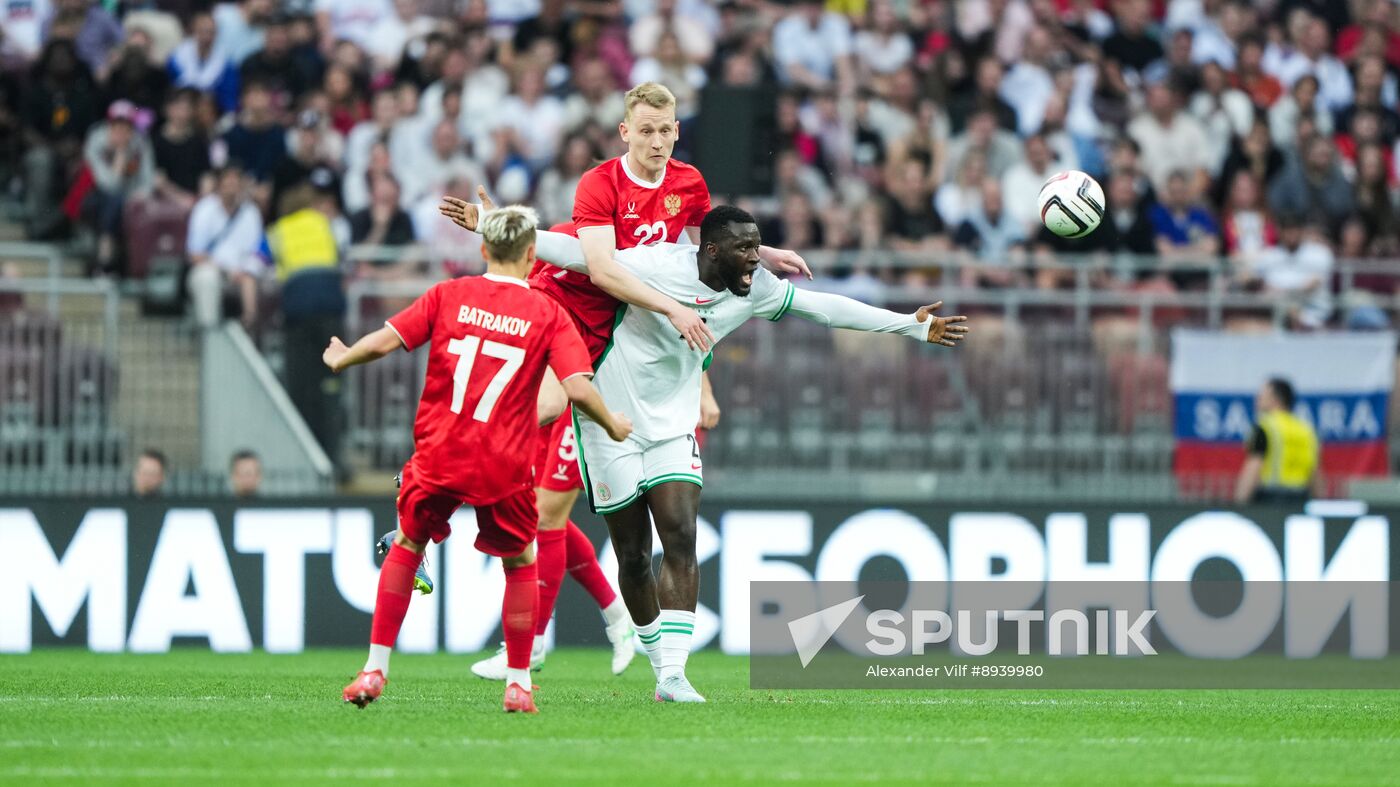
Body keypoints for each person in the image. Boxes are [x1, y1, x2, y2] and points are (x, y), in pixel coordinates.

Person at [439, 200, 968, 701]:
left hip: (674, 424)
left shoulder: (754, 288)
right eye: (744, 249)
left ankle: (673, 673)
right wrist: (490, 222)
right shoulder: (653, 265)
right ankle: (652, 651)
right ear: (711, 250)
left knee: (682, 535)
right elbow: (577, 253)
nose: (755, 259)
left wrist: (909, 326)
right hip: (610, 421)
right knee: (632, 554)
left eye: (758, 248)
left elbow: (822, 308)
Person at [460, 82, 809, 682]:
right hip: (574, 312)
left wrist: (765, 252)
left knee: (545, 496)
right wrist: (498, 229)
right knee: (525, 457)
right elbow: (596, 267)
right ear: (625, 131)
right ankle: (595, 616)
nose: (654, 141)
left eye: (664, 130)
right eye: (643, 130)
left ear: (677, 131)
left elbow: (710, 253)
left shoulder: (688, 185)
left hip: (615, 348)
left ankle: (545, 632)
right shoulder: (598, 186)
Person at [331, 206, 632, 715]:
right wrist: (611, 423)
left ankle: (373, 669)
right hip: (503, 460)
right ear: (532, 254)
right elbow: (576, 388)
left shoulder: (448, 295)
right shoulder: (548, 313)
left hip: (441, 451)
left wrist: (343, 355)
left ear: (483, 249)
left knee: (407, 544)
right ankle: (518, 682)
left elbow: (386, 341)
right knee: (520, 562)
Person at [187, 165, 264, 329]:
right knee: (206, 278)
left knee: (269, 276)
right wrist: (227, 270)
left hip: (245, 272)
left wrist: (245, 271)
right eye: (227, 180)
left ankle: (252, 329)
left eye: (236, 180)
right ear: (219, 184)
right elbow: (195, 254)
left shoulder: (251, 212)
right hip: (215, 269)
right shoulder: (204, 209)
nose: (232, 185)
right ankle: (210, 334)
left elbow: (258, 251)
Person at [1235, 377, 1320, 505]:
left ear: (1275, 399)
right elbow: (1315, 472)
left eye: (1261, 396)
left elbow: (1254, 466)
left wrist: (1240, 502)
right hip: (1301, 499)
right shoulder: (1306, 430)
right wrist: (1318, 502)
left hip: (1271, 500)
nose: (1257, 400)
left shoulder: (1264, 427)